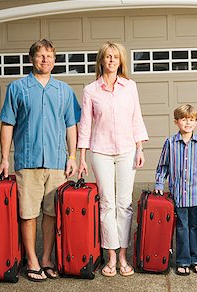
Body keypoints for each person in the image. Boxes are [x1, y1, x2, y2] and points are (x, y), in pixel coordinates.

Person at [0, 39, 81, 282]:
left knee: (51, 213)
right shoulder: (17, 88)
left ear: (55, 60)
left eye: (50, 56)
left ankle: (46, 258)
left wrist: (72, 156)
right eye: (40, 55)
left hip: (57, 161)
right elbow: (7, 124)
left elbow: (71, 126)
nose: (45, 60)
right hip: (27, 160)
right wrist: (4, 159)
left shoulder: (64, 90)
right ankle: (32, 260)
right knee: (28, 213)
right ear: (31, 59)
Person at [77, 41, 149, 277]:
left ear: (121, 62)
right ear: (101, 60)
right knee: (107, 203)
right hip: (100, 152)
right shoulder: (90, 90)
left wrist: (140, 149)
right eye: (107, 57)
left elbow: (136, 118)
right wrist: (82, 157)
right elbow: (85, 125)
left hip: (127, 149)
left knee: (124, 203)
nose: (111, 61)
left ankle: (123, 256)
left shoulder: (130, 86)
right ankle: (109, 257)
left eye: (115, 57)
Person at [154, 104, 197, 276]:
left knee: (195, 226)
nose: (188, 123)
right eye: (184, 119)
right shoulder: (170, 142)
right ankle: (183, 260)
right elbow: (163, 166)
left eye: (191, 119)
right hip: (178, 195)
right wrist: (159, 184)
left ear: (196, 122)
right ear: (176, 122)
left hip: (196, 194)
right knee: (181, 227)